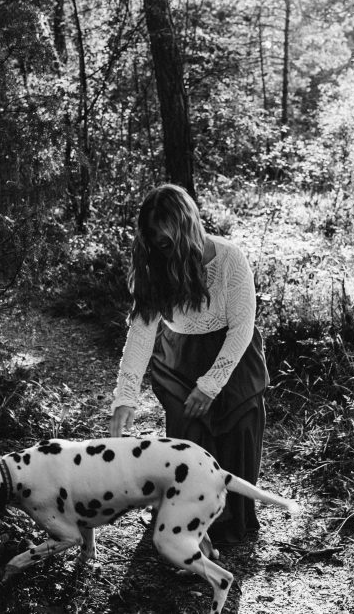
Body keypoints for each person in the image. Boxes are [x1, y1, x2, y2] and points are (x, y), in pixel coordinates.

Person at [108, 183, 269, 545]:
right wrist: (125, 397)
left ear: (187, 229)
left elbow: (243, 326)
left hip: (234, 356)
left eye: (167, 242)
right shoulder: (153, 263)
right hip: (180, 356)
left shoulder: (230, 259)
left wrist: (212, 384)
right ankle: (186, 522)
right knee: (189, 443)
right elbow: (141, 334)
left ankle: (230, 521)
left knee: (237, 431)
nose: (161, 250)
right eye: (154, 242)